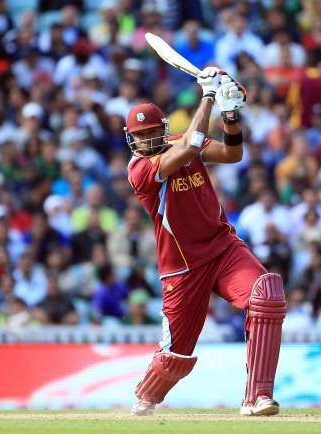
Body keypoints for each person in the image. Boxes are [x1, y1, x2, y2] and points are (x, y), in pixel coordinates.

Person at [126, 67, 286, 416]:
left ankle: (258, 396)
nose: (148, 139)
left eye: (153, 131)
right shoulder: (140, 170)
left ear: (163, 128)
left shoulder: (180, 140)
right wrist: (210, 96)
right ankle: (147, 393)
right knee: (175, 356)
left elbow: (232, 154)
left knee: (267, 295)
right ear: (131, 140)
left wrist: (229, 115)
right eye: (141, 136)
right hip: (183, 265)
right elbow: (190, 148)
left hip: (223, 246)